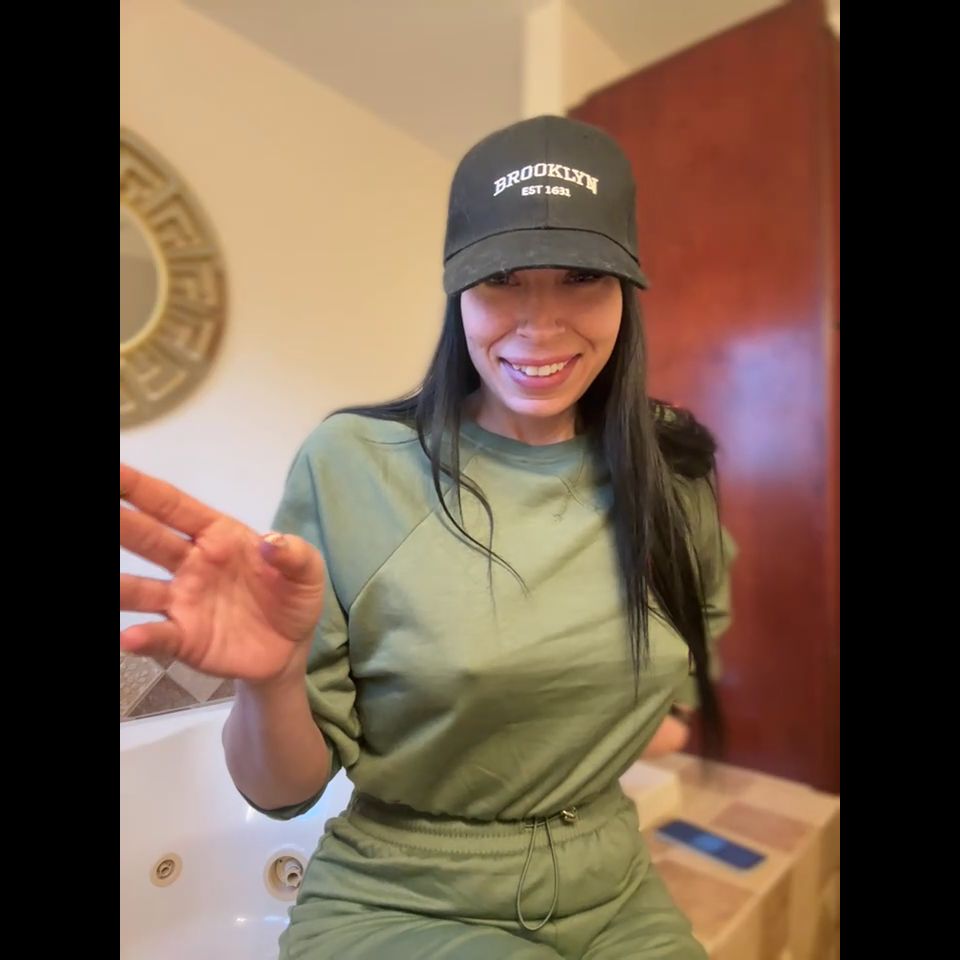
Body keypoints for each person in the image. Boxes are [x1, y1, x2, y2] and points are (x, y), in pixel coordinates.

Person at [120, 114, 736, 959]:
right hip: (404, 895)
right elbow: (281, 793)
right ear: (458, 291)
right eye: (502, 280)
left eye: (581, 278)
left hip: (614, 883)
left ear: (625, 290)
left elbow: (676, 694)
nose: (540, 324)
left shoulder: (673, 474)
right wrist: (271, 678)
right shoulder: (354, 464)